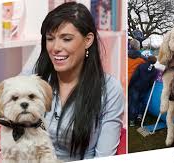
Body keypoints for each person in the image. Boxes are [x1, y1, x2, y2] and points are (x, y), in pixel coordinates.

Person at [23, 2, 124, 161]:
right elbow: (9, 108)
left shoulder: (109, 90)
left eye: (66, 39)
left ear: (88, 40)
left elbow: (104, 157)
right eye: (50, 38)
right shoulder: (37, 75)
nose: (55, 47)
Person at [128, 56, 157, 126]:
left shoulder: (141, 66)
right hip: (144, 89)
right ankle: (139, 117)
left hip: (136, 87)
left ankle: (132, 121)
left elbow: (134, 77)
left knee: (133, 104)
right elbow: (151, 82)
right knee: (141, 103)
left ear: (147, 60)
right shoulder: (154, 70)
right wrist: (148, 87)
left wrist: (130, 85)